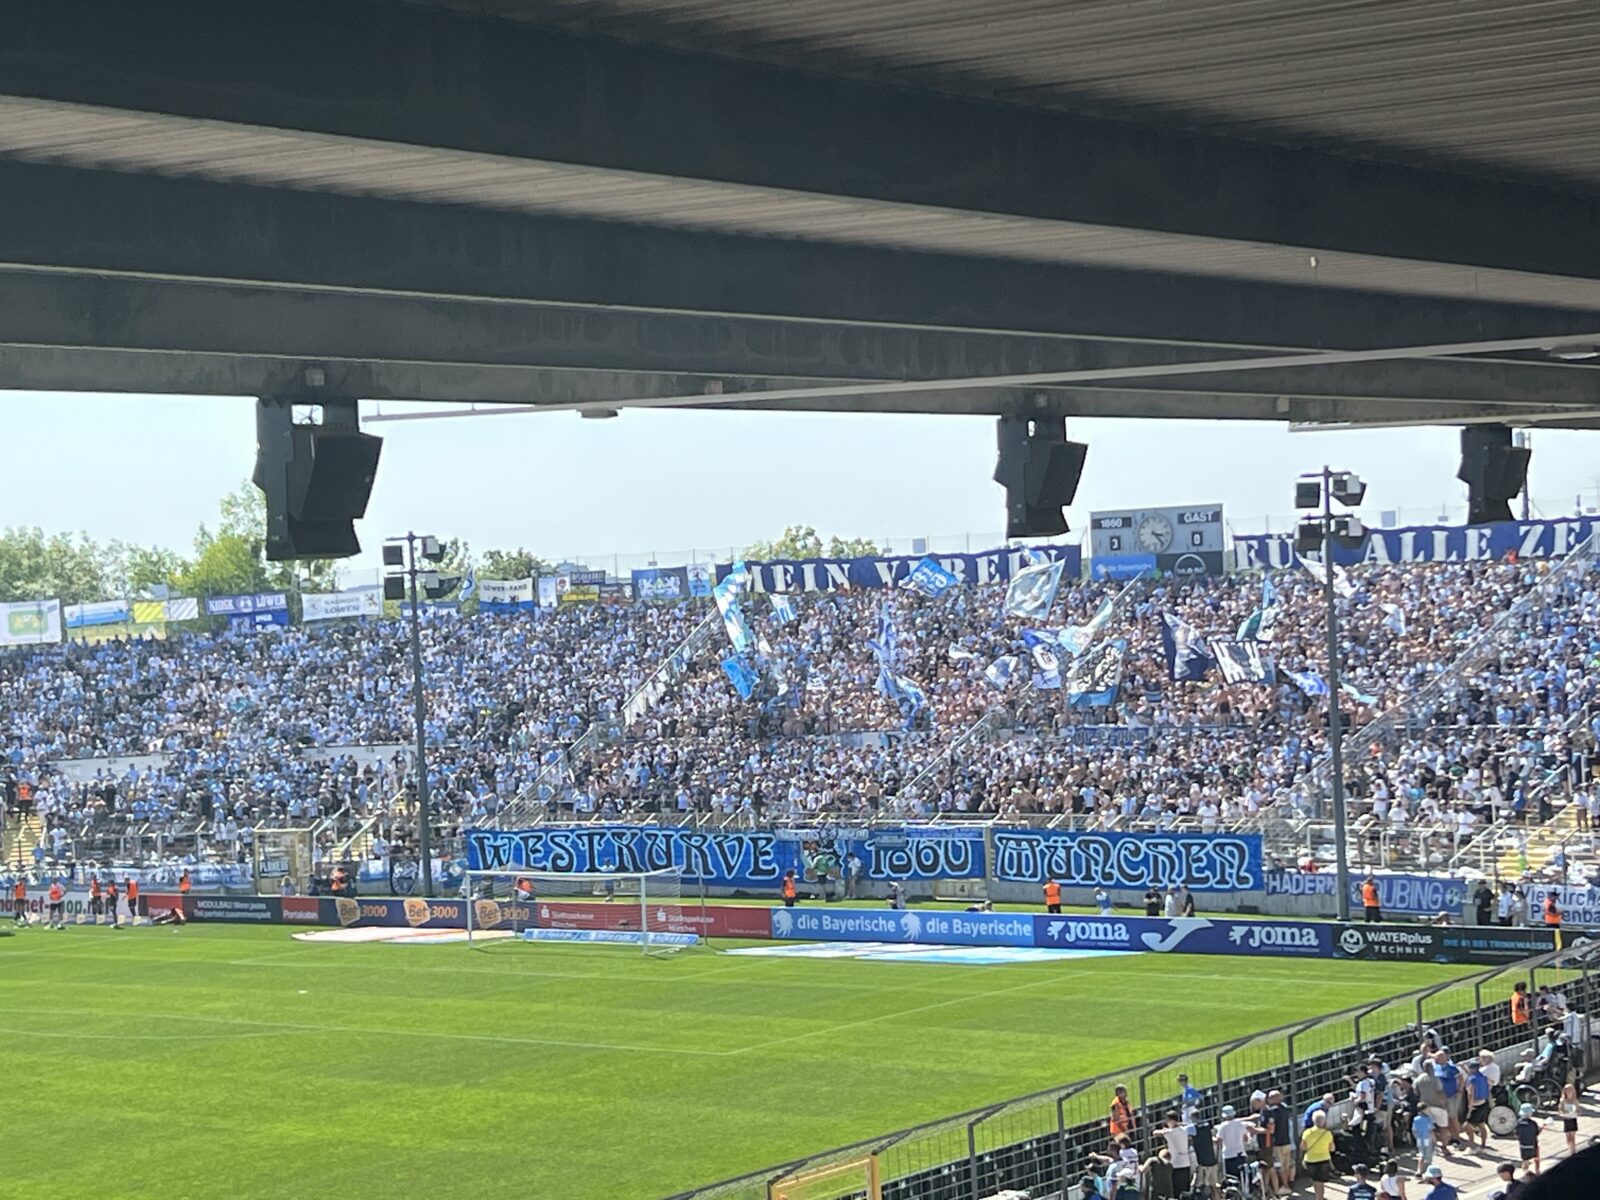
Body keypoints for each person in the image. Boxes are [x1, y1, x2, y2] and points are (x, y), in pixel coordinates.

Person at [1301, 1109, 1337, 1200]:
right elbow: (1332, 1148)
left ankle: (1318, 1196)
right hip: (1324, 1159)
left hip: (1310, 1160)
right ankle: (1319, 1198)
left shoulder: (1307, 1133)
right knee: (1320, 1182)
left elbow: (1303, 1147)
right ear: (1324, 1121)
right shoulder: (1328, 1134)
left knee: (1314, 1179)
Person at [1158, 1110, 1193, 1196]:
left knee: (1177, 1190)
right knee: (1186, 1189)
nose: (1166, 1123)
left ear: (1172, 1121)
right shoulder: (1184, 1130)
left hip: (1176, 1164)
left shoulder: (1170, 1132)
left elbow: (1155, 1132)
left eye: (1167, 1120)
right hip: (1186, 1163)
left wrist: (1165, 1130)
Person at [1217, 1104, 1251, 1188]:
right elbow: (1246, 1138)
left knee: (1231, 1178)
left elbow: (1218, 1140)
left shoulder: (1223, 1126)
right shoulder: (1240, 1124)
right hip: (1241, 1154)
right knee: (1243, 1177)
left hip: (1229, 1155)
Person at [1463, 1061, 1490, 1149]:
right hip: (1484, 1102)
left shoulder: (1472, 1079)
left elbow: (1470, 1093)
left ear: (1473, 1069)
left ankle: (1471, 1146)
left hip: (1475, 1105)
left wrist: (1470, 1107)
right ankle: (1483, 1144)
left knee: (1468, 1126)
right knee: (1482, 1124)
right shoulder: (1483, 1077)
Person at [1514, 1102, 1543, 1173]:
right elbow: (1536, 1133)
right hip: (1533, 1144)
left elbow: (1516, 1133)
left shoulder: (1519, 1123)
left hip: (1523, 1145)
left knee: (1525, 1160)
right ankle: (1537, 1171)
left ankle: (1525, 1172)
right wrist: (1542, 1127)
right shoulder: (1533, 1123)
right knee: (1536, 1158)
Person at [1411, 1105, 1436, 1179]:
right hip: (1427, 1139)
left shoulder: (1416, 1119)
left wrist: (1416, 1137)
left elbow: (1414, 1130)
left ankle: (1419, 1170)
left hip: (1419, 1139)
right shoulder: (1428, 1119)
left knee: (1421, 1154)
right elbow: (1430, 1130)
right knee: (1428, 1156)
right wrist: (1434, 1140)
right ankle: (1429, 1171)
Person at [1557, 1083, 1579, 1157]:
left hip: (1573, 1119)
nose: (1569, 1092)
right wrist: (1563, 1113)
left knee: (1572, 1136)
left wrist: (1576, 1112)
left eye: (1570, 1090)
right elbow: (1560, 1110)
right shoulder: (1563, 1100)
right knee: (1568, 1137)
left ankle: (1573, 1150)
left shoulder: (1575, 1100)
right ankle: (1571, 1148)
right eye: (1567, 1090)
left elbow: (1579, 1110)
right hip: (1566, 1120)